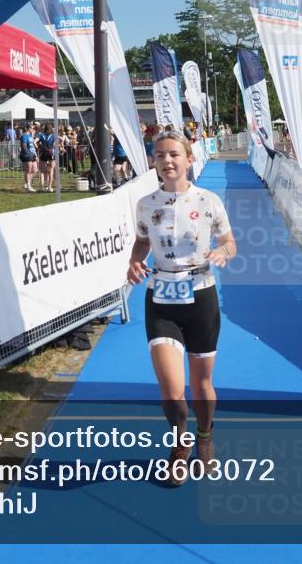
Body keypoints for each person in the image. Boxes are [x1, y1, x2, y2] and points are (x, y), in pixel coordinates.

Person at [126, 131, 237, 487]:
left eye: (173, 154)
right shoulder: (145, 204)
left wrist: (223, 253)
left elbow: (230, 242)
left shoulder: (208, 201)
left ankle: (205, 435)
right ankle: (179, 445)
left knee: (202, 384)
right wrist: (133, 262)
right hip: (161, 298)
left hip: (201, 296)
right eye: (159, 155)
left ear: (189, 159)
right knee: (172, 391)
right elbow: (142, 242)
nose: (167, 161)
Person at [19, 122, 38, 192]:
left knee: (35, 170)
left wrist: (35, 153)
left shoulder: (30, 136)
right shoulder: (24, 136)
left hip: (32, 155)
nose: (33, 129)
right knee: (28, 170)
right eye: (31, 128)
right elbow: (24, 146)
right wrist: (28, 154)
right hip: (26, 155)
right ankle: (28, 186)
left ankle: (27, 183)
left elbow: (32, 145)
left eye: (33, 128)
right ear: (28, 128)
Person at [37, 123, 56, 191]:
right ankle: (49, 187)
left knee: (42, 171)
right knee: (51, 170)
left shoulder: (41, 135)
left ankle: (41, 187)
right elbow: (58, 143)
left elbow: (34, 141)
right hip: (51, 153)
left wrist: (38, 147)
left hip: (44, 153)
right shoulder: (54, 136)